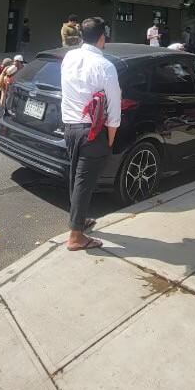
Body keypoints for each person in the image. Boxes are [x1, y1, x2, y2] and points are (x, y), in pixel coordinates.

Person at [60, 15, 121, 251]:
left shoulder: (69, 57)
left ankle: (79, 218)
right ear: (102, 38)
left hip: (70, 127)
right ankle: (76, 236)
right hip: (92, 132)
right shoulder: (105, 66)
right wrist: (110, 141)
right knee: (85, 182)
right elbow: (114, 110)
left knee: (76, 177)